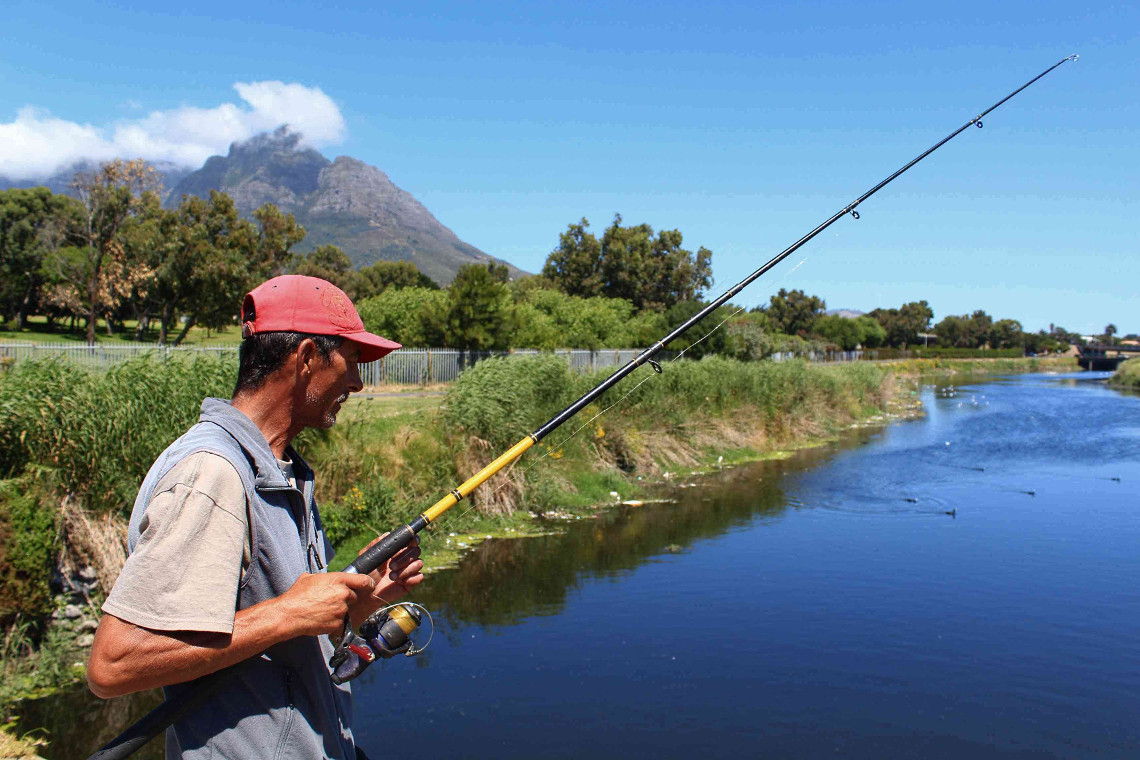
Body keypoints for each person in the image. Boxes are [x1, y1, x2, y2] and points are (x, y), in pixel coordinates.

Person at [87, 275, 424, 759]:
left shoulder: (283, 471)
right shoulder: (212, 474)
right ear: (306, 358)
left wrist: (361, 603)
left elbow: (277, 635)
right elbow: (113, 666)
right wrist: (287, 614)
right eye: (350, 360)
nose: (357, 381)